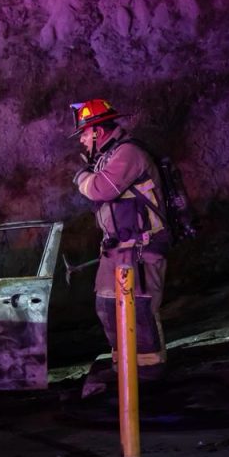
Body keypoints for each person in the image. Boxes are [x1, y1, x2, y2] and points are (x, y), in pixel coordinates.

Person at [70, 99, 170, 387]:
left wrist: (82, 177)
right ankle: (123, 369)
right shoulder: (107, 157)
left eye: (84, 133)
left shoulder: (128, 153)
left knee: (140, 310)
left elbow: (101, 189)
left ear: (98, 131)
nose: (81, 139)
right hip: (116, 249)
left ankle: (149, 372)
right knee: (106, 306)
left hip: (141, 249)